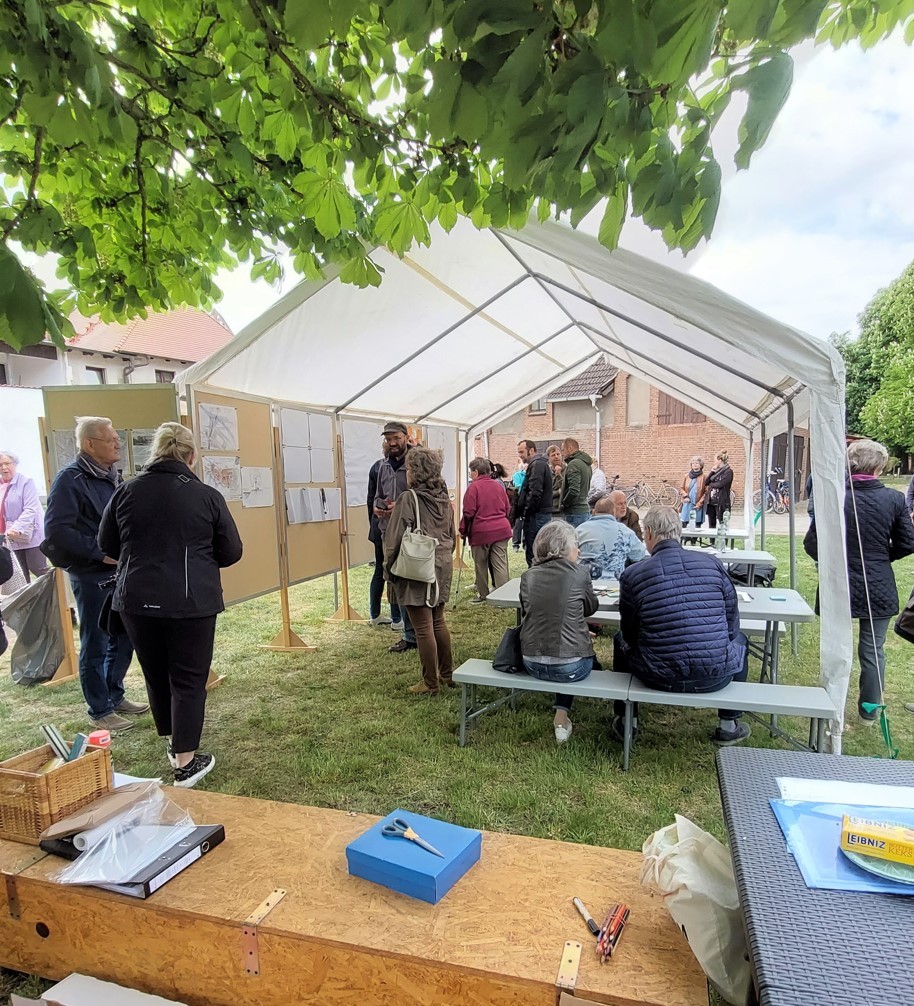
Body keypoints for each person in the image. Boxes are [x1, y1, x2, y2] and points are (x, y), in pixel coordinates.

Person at [98, 422, 243, 787]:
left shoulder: (126, 491)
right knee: (189, 679)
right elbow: (231, 551)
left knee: (156, 673)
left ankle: (172, 740)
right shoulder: (206, 496)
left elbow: (108, 544)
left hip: (135, 599)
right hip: (190, 601)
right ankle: (186, 761)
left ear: (156, 453)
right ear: (192, 456)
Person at [611, 506, 750, 746]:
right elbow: (731, 620)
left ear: (650, 533)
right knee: (740, 640)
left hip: (656, 674)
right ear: (679, 532)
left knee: (619, 639)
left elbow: (630, 631)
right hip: (715, 673)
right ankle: (728, 723)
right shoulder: (712, 564)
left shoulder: (634, 574)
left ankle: (627, 720)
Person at [42, 417, 145, 732]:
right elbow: (57, 531)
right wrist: (99, 551)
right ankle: (99, 709)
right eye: (110, 439)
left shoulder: (113, 477)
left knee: (124, 635)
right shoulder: (70, 479)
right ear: (89, 444)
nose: (117, 444)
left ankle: (114, 695)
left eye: (116, 438)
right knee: (97, 641)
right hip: (91, 574)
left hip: (120, 572)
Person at [804, 439, 914, 724]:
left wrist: (857, 558)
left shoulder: (840, 495)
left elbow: (813, 543)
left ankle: (840, 702)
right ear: (878, 466)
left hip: (844, 581)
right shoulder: (891, 499)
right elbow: (907, 543)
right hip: (873, 580)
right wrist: (879, 558)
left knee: (837, 645)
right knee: (872, 649)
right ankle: (867, 709)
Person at [383, 448, 456, 695]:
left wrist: (389, 571)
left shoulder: (408, 498)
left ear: (414, 470)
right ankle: (446, 674)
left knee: (423, 627)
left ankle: (429, 683)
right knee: (438, 621)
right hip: (442, 562)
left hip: (418, 564)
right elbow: (451, 534)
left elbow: (393, 539)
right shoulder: (445, 498)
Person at [519, 520, 598, 744]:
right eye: (575, 544)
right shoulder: (580, 573)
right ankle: (561, 717)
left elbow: (528, 611)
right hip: (571, 664)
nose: (579, 549)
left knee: (570, 656)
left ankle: (561, 718)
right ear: (562, 548)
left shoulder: (529, 575)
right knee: (574, 660)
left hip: (531, 661)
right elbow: (591, 608)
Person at [374, 421, 417, 653]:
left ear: (406, 437)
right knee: (396, 583)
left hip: (410, 533)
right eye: (388, 438)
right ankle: (409, 634)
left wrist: (399, 508)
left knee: (414, 582)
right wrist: (377, 507)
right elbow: (379, 494)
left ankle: (420, 633)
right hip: (388, 532)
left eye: (396, 438)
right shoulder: (383, 466)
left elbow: (422, 495)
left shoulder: (416, 462)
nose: (392, 442)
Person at [459, 459, 512, 603]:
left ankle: (483, 594)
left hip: (481, 532)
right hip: (501, 529)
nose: (470, 474)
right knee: (500, 563)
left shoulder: (473, 488)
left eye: (471, 471)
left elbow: (468, 512)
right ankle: (504, 595)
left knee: (480, 564)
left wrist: (463, 530)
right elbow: (507, 508)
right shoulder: (498, 486)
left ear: (476, 472)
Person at [0, 451, 48, 581]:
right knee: (19, 575)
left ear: (14, 464)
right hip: (9, 539)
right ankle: (27, 602)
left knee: (39, 571)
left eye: (7, 464)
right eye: (0, 465)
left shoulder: (26, 482)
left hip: (30, 535)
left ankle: (50, 600)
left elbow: (30, 509)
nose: (4, 467)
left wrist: (16, 528)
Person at [576, 497, 647, 579]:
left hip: (586, 582)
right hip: (616, 584)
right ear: (613, 512)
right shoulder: (626, 531)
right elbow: (639, 555)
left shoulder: (580, 530)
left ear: (593, 512)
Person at [366, 442, 393, 627]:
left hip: (378, 525)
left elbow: (371, 499)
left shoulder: (377, 466)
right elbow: (373, 499)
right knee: (390, 571)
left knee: (381, 571)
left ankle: (375, 614)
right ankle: (396, 618)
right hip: (385, 526)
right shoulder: (381, 467)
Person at [515, 441, 552, 567]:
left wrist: (527, 511)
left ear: (531, 450)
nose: (520, 455)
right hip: (538, 514)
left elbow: (535, 492)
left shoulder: (537, 465)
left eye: (522, 452)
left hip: (536, 515)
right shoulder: (539, 464)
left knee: (535, 554)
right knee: (537, 552)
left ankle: (535, 582)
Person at [560, 438, 593, 527]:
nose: (562, 454)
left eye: (563, 450)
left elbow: (574, 490)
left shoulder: (574, 464)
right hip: (584, 510)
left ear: (570, 448)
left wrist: (564, 503)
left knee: (573, 539)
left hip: (574, 512)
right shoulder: (586, 464)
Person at [705, 451, 733, 529]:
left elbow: (720, 484)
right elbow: (706, 482)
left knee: (722, 523)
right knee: (711, 523)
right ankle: (712, 541)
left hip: (721, 501)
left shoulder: (728, 472)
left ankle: (723, 540)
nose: (714, 462)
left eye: (715, 460)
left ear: (720, 460)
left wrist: (711, 484)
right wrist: (712, 472)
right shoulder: (716, 471)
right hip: (711, 502)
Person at [679, 455, 707, 527]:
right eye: (693, 463)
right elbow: (681, 488)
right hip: (687, 503)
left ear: (701, 465)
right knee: (684, 523)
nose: (695, 465)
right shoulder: (686, 476)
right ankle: (685, 538)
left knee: (696, 524)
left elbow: (706, 492)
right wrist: (685, 496)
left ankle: (694, 538)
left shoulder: (704, 477)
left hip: (697, 505)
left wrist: (699, 504)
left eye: (697, 463)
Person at [510, 461, 526, 552]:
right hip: (519, 501)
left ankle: (525, 543)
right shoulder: (517, 475)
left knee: (526, 522)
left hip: (528, 501)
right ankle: (515, 543)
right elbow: (518, 486)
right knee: (518, 523)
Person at [546, 445, 565, 516]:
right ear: (549, 458)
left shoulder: (567, 470)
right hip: (550, 510)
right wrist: (558, 492)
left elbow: (566, 489)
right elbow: (545, 494)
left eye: (558, 454)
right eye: (553, 455)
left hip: (563, 510)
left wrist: (559, 475)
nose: (556, 456)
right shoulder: (546, 472)